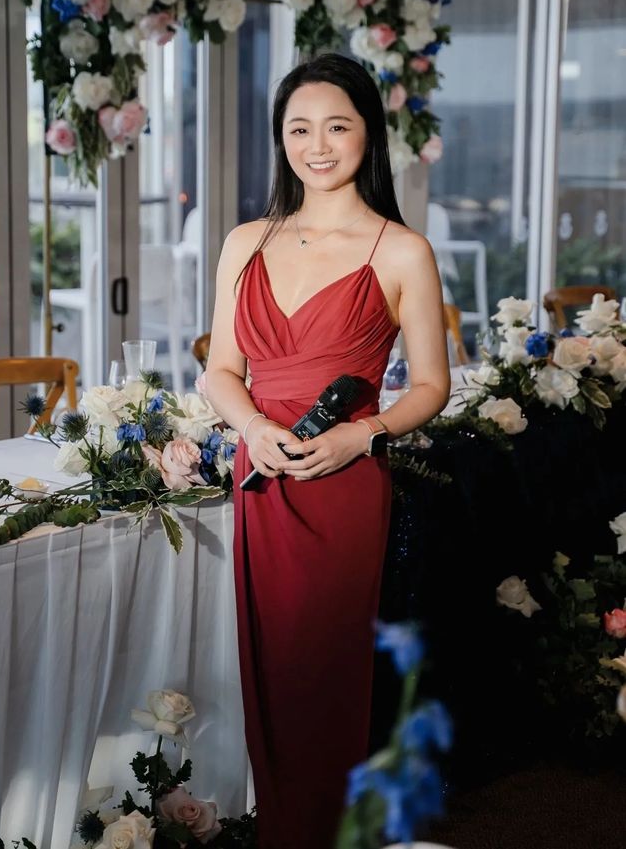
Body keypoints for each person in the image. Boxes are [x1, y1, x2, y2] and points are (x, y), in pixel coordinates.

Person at [205, 53, 450, 849]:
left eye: (336, 126)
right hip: (261, 479)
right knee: (271, 677)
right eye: (298, 129)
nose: (316, 145)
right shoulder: (245, 241)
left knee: (324, 674)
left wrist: (362, 432)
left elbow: (431, 385)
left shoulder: (401, 250)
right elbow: (219, 371)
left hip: (343, 486)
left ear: (367, 134)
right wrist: (252, 428)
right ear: (279, 139)